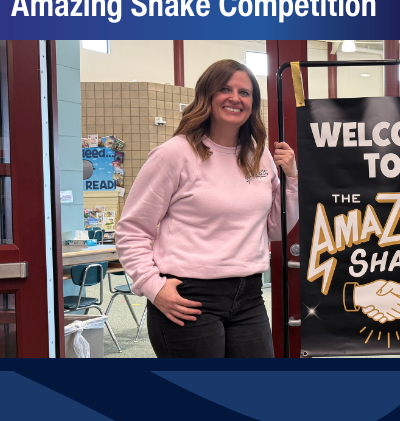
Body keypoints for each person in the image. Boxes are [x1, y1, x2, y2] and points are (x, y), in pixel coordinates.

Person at [116, 59, 299, 358]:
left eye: (245, 92)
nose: (235, 98)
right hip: (188, 297)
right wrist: (152, 286)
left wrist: (292, 178)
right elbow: (131, 230)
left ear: (253, 103)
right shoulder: (175, 154)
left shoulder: (260, 156)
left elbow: (275, 229)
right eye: (225, 89)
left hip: (249, 296)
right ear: (207, 95)